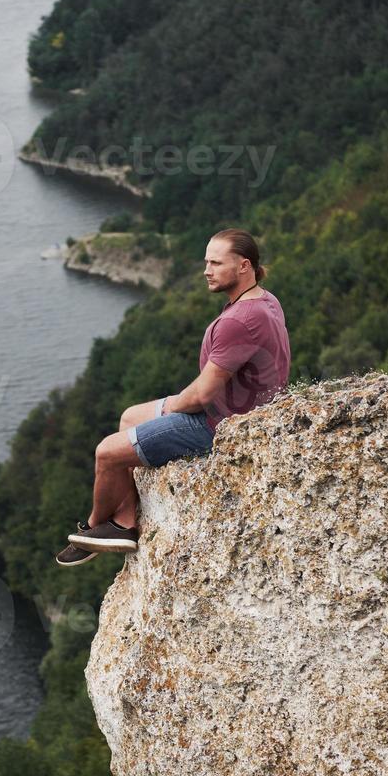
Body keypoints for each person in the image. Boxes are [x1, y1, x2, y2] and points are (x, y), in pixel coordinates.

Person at [56, 228, 291, 566]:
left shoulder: (240, 320)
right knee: (129, 417)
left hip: (223, 425)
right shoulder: (265, 300)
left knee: (107, 453)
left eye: (215, 263)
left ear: (244, 266)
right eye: (205, 262)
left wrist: (170, 408)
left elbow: (201, 395)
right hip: (241, 408)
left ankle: (93, 530)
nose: (206, 270)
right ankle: (123, 524)